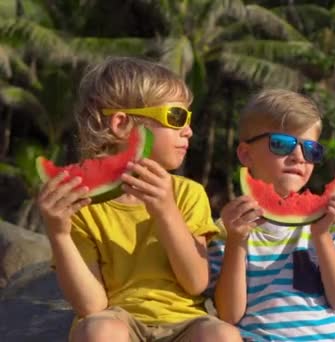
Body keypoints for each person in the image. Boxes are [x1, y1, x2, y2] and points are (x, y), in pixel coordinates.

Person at [36, 57, 241, 341]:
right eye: (176, 117)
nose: (189, 130)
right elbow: (91, 305)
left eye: (189, 118)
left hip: (185, 322)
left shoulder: (188, 193)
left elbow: (196, 282)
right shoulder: (82, 204)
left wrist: (166, 211)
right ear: (121, 124)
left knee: (223, 335)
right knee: (99, 330)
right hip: (118, 318)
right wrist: (59, 233)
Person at [209, 89, 335, 341]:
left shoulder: (330, 226)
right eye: (281, 144)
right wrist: (236, 242)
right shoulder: (228, 228)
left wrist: (322, 237)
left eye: (310, 149)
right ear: (246, 154)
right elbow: (229, 314)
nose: (298, 157)